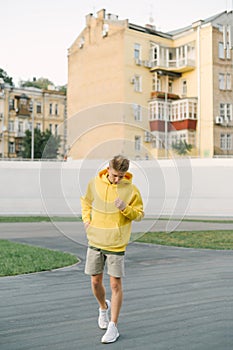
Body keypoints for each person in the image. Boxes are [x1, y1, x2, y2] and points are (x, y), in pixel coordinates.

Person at [81, 155, 144, 344]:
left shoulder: (131, 189)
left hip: (116, 242)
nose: (118, 180)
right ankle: (103, 308)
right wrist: (86, 220)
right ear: (108, 169)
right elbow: (86, 202)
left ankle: (113, 326)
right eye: (115, 175)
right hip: (96, 240)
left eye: (121, 176)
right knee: (95, 282)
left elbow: (139, 215)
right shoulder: (94, 184)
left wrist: (125, 207)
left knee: (115, 285)